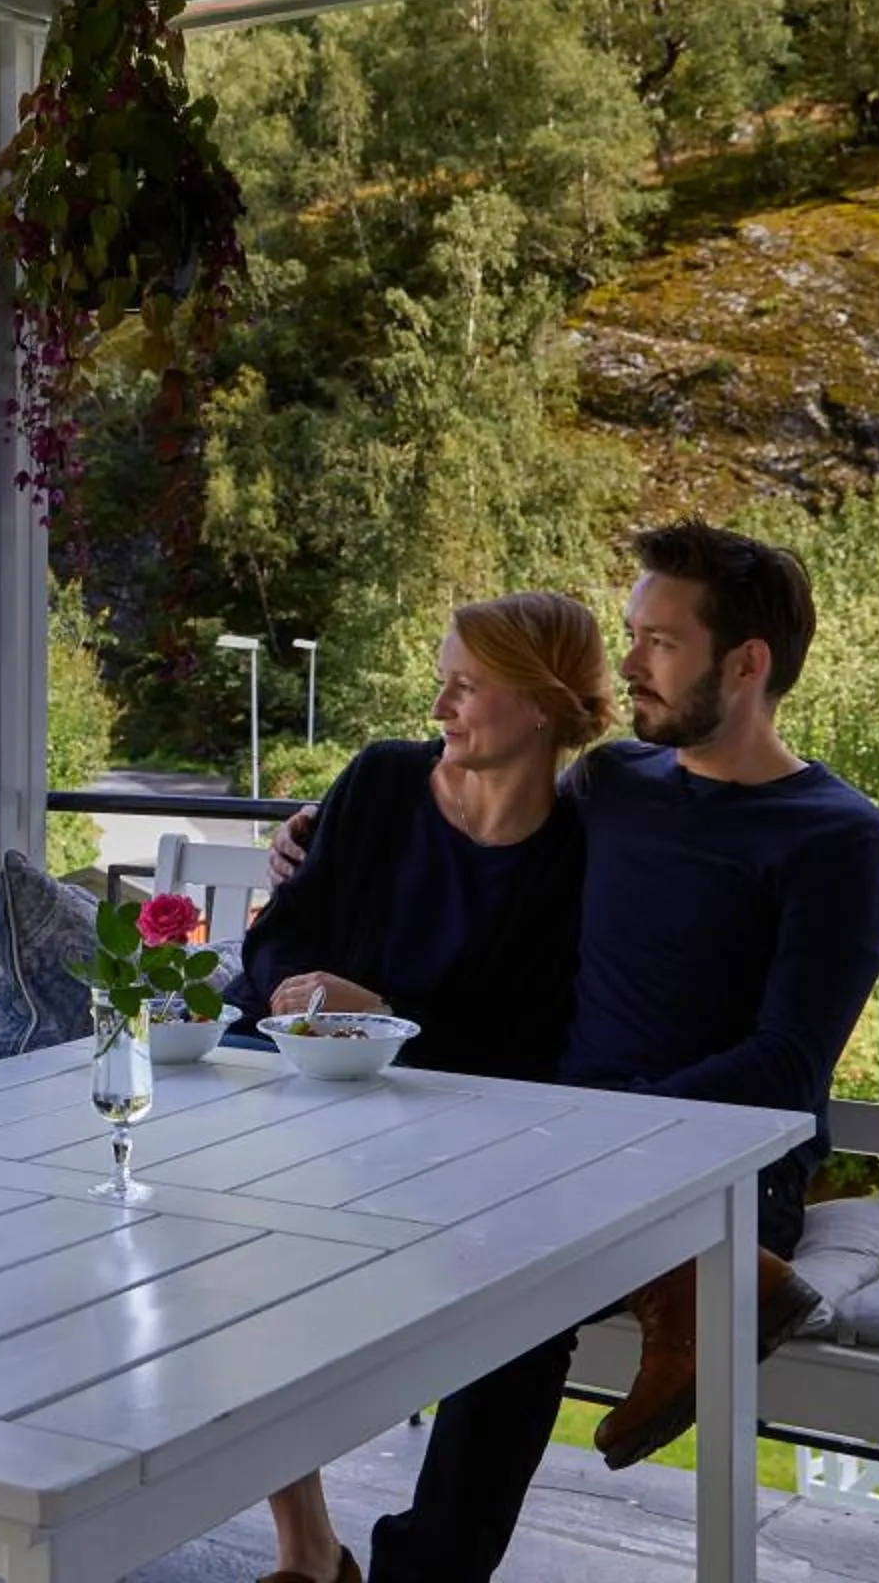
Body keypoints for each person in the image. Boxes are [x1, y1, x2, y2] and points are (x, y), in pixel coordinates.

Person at [266, 521, 879, 1583]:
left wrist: (607, 1130)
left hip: (724, 1164)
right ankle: (310, 1543)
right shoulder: (616, 782)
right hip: (554, 1140)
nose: (634, 662)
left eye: (661, 641)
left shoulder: (836, 835)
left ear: (746, 663)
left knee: (518, 1282)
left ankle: (421, 1570)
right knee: (299, 1215)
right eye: (632, 633)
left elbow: (789, 1061)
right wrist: (317, 833)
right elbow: (483, 811)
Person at [221, 589, 615, 1583]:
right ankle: (307, 1551)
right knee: (227, 1244)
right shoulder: (384, 781)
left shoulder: (574, 856)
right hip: (290, 1110)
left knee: (527, 1305)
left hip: (452, 1144)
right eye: (443, 677)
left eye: (467, 685)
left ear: (540, 705)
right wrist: (303, 994)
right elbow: (276, 938)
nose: (440, 703)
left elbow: (527, 1045)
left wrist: (379, 1010)